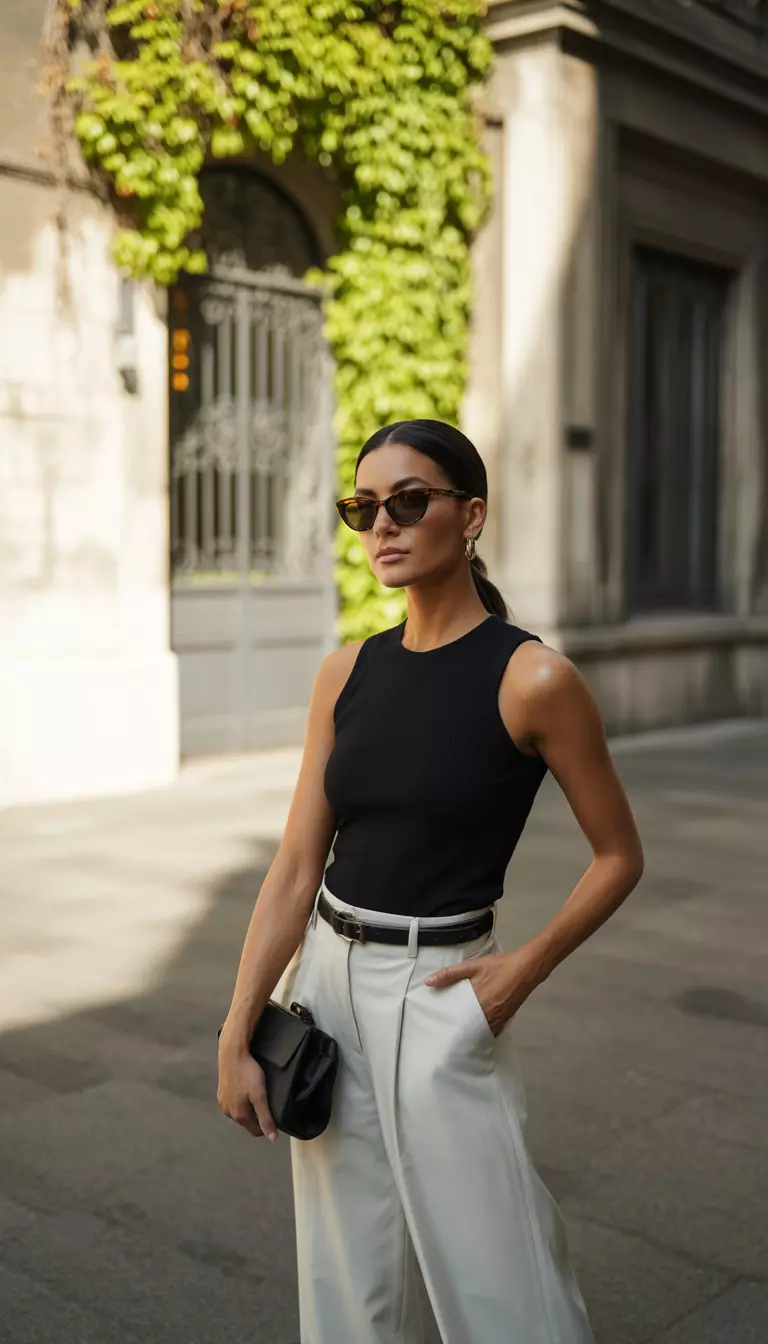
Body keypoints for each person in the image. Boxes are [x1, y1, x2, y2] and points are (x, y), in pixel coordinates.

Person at [217, 419, 644, 1344]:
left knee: (503, 1276)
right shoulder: (346, 673)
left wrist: (522, 969)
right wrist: (239, 1023)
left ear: (472, 514)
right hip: (325, 985)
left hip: (446, 987)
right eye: (363, 509)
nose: (383, 526)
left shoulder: (533, 679)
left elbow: (619, 854)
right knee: (343, 1277)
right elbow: (296, 865)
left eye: (410, 502)